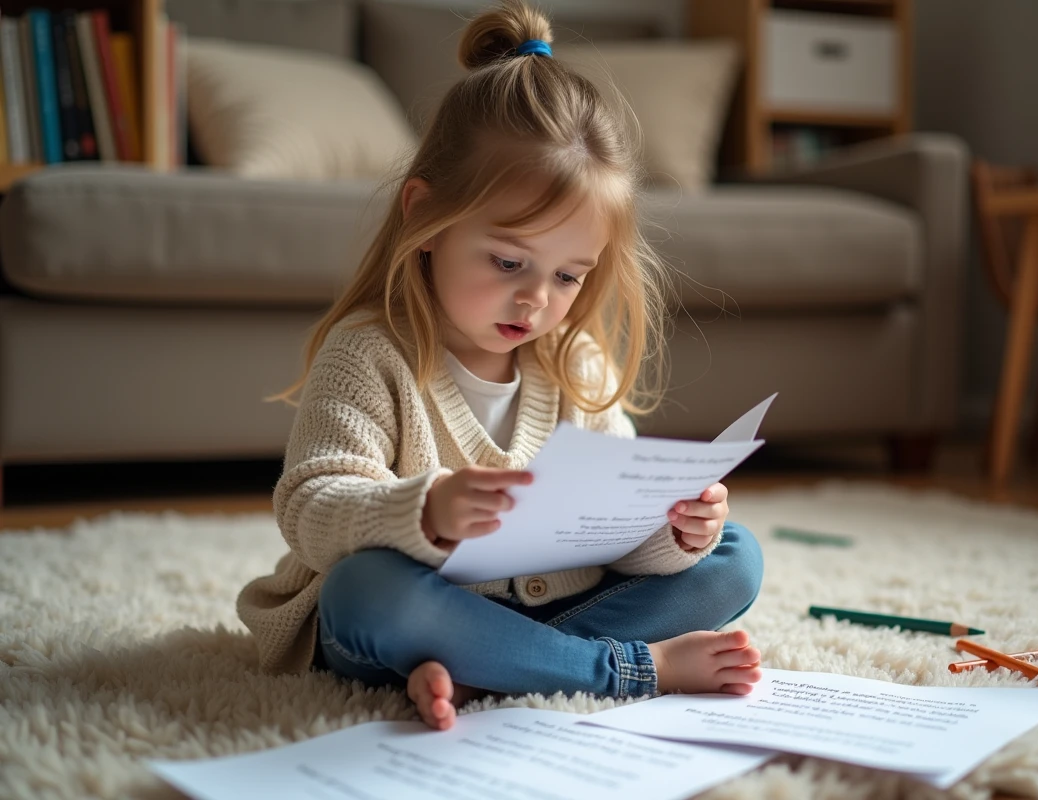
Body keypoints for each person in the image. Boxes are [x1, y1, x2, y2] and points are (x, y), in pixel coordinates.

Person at [237, 0, 764, 731]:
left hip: (549, 605)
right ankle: (619, 669)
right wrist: (425, 512)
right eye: (510, 262)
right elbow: (309, 506)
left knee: (735, 555)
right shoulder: (369, 354)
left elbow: (616, 538)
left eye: (569, 275)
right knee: (362, 591)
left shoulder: (574, 363)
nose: (537, 299)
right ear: (425, 218)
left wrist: (674, 529)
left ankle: (488, 662)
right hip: (413, 604)